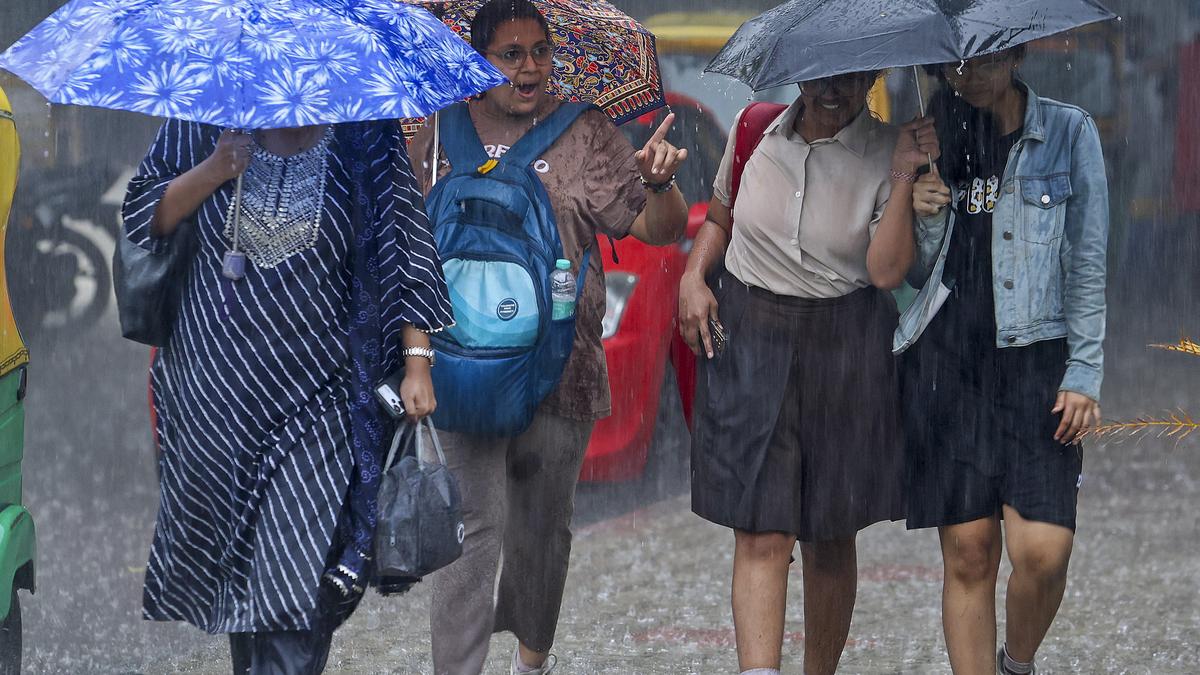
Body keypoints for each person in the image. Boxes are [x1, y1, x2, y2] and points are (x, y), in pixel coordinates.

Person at [406, 1, 689, 672]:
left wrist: (660, 184)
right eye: (511, 53)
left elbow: (657, 228)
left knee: (539, 529)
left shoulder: (586, 132)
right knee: (468, 530)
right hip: (459, 360)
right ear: (477, 59)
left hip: (561, 365)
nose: (530, 66)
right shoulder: (438, 129)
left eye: (539, 50)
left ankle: (531, 662)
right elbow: (406, 239)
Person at [123, 117, 453, 673]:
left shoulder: (363, 130)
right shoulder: (201, 117)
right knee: (245, 587)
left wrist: (417, 360)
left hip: (321, 399)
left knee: (299, 580)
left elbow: (405, 240)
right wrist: (214, 169)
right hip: (213, 397)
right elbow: (142, 216)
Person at [678, 73, 939, 675]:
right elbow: (718, 220)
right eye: (824, 77)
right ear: (799, 70)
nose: (835, 90)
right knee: (761, 529)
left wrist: (904, 175)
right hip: (751, 336)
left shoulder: (890, 148)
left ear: (872, 79)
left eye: (853, 80)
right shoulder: (752, 131)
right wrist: (693, 278)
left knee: (829, 533)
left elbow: (886, 271)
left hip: (845, 342)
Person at [901, 46, 1109, 675]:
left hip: (1036, 369)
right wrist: (922, 211)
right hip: (950, 366)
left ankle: (1016, 663)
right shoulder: (929, 139)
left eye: (986, 61)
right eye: (958, 65)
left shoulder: (1069, 133)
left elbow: (1088, 261)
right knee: (968, 551)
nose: (971, 77)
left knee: (1043, 552)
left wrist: (1084, 371)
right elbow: (905, 275)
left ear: (1016, 53)